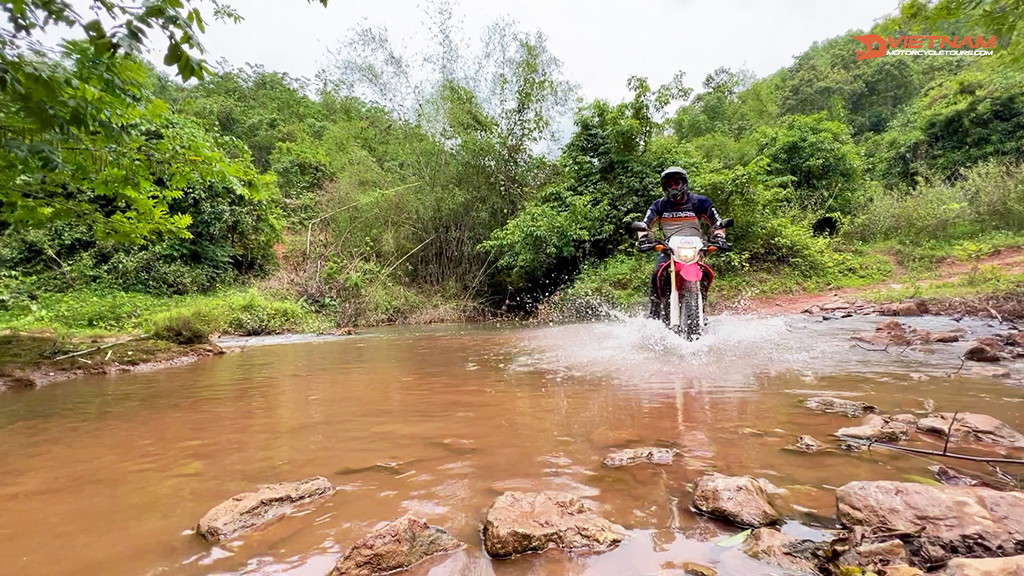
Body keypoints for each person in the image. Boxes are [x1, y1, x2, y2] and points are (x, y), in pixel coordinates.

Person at [636, 166, 729, 320]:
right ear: (665, 187)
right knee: (656, 275)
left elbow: (717, 224)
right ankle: (654, 311)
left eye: (676, 183)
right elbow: (644, 225)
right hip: (668, 249)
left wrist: (720, 237)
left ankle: (700, 307)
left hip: (696, 249)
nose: (673, 187)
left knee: (705, 274)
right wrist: (643, 238)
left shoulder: (700, 202)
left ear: (684, 183)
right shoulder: (659, 205)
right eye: (669, 184)